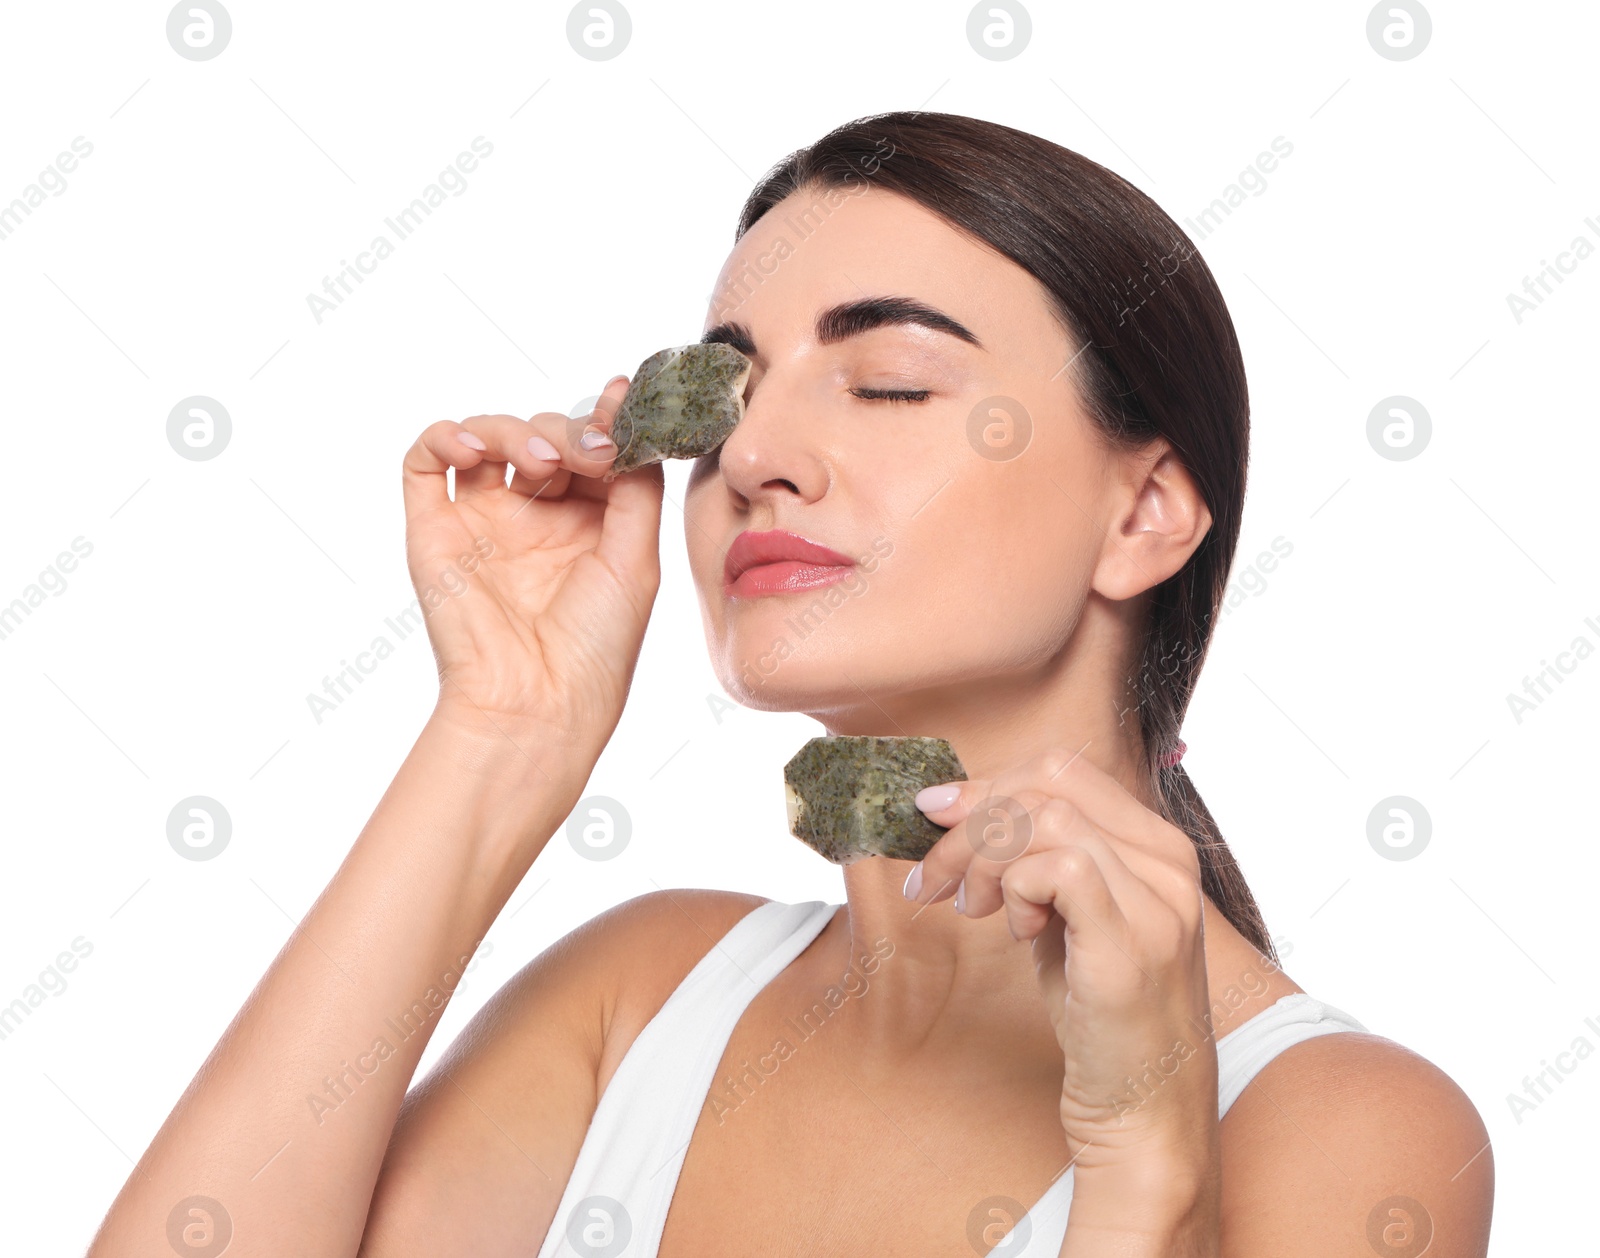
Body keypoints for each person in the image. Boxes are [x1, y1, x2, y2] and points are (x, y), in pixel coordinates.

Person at [88, 111, 1493, 1257]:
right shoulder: (638, 994)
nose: (758, 453)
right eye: (726, 394)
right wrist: (503, 730)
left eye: (886, 381)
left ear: (1144, 514)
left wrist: (1144, 1164)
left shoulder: (1346, 1128)